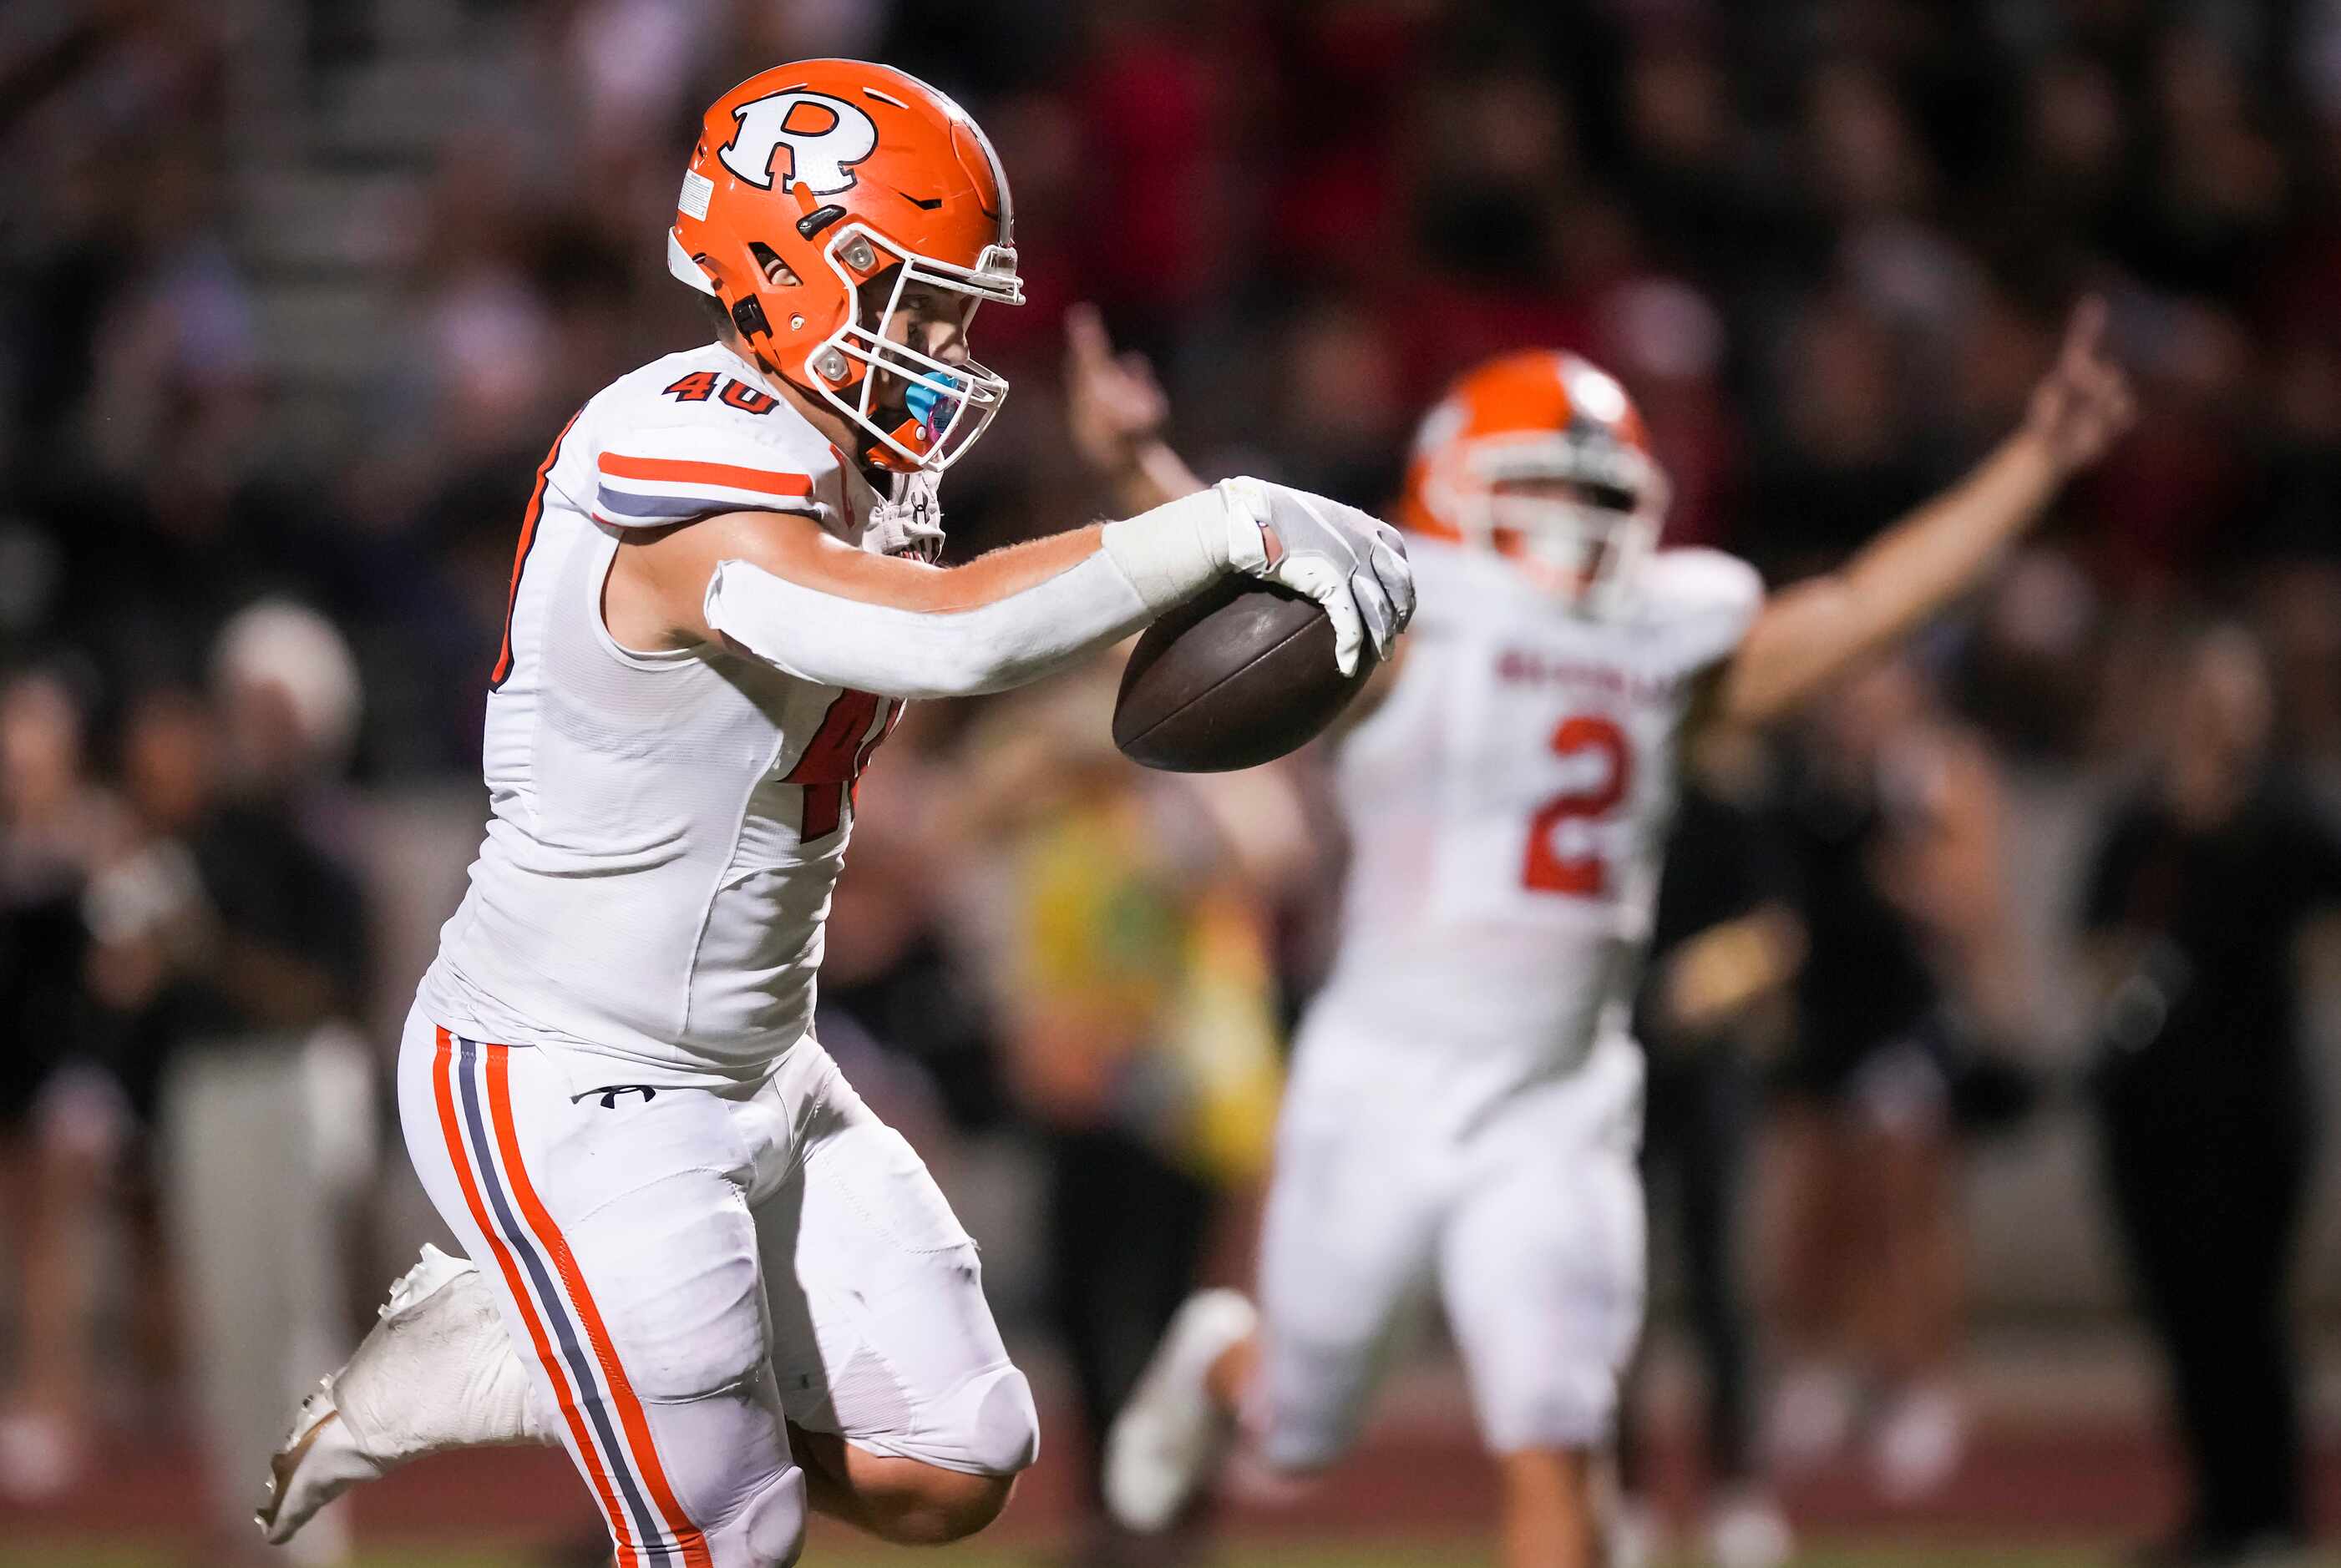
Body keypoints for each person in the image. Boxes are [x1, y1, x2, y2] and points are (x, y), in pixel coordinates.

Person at [256, 58, 1414, 1568]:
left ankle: (534, 1354)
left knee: (955, 1461)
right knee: (732, 1532)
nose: (942, 347)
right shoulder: (679, 446)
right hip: (563, 1067)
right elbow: (943, 636)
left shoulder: (854, 464)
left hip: (754, 1056)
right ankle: (595, 1353)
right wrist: (1219, 522)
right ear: (789, 262)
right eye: (916, 303)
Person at [1085, 301, 2135, 1568]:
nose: (1575, 523)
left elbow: (1858, 608)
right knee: (1296, 1431)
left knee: (1557, 1431)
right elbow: (1245, 577)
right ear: (1453, 487)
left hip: (1556, 1095)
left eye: (1596, 491)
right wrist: (1131, 466)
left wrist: (2033, 458)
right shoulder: (1408, 630)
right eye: (1539, 487)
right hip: (1383, 1079)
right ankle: (1220, 1366)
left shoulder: (1664, 640)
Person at [950, 658, 1296, 1566]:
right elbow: (968, 819)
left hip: (1180, 1095)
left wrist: (1166, 757)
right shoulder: (1052, 802)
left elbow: (1269, 853)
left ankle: (1171, 1520)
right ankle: (1115, 1516)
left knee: (1171, 1317)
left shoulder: (1192, 790)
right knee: (1079, 1310)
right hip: (1078, 1088)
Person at [2081, 625, 2341, 1565]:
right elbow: (2097, 944)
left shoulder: (2288, 813)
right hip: (2151, 1102)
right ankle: (2215, 1510)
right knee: (2180, 1307)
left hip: (2256, 1097)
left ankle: (2270, 1511)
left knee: (2249, 1304)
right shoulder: (2141, 819)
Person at [1761, 656, 2019, 1501]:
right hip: (1822, 1013)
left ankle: (1922, 1383)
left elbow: (1973, 901)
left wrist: (1903, 873)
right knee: (1816, 1202)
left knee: (1903, 1209)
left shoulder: (1934, 774)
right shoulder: (1805, 781)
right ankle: (1819, 1367)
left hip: (1903, 1018)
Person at [1614, 738, 1804, 1568]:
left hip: (1705, 1073)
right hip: (1612, 1070)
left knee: (1718, 1284)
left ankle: (1736, 1485)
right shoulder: (1609, 802)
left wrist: (1704, 982)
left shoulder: (1725, 807)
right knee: (1613, 1291)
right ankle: (1620, 1492)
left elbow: (1775, 930)